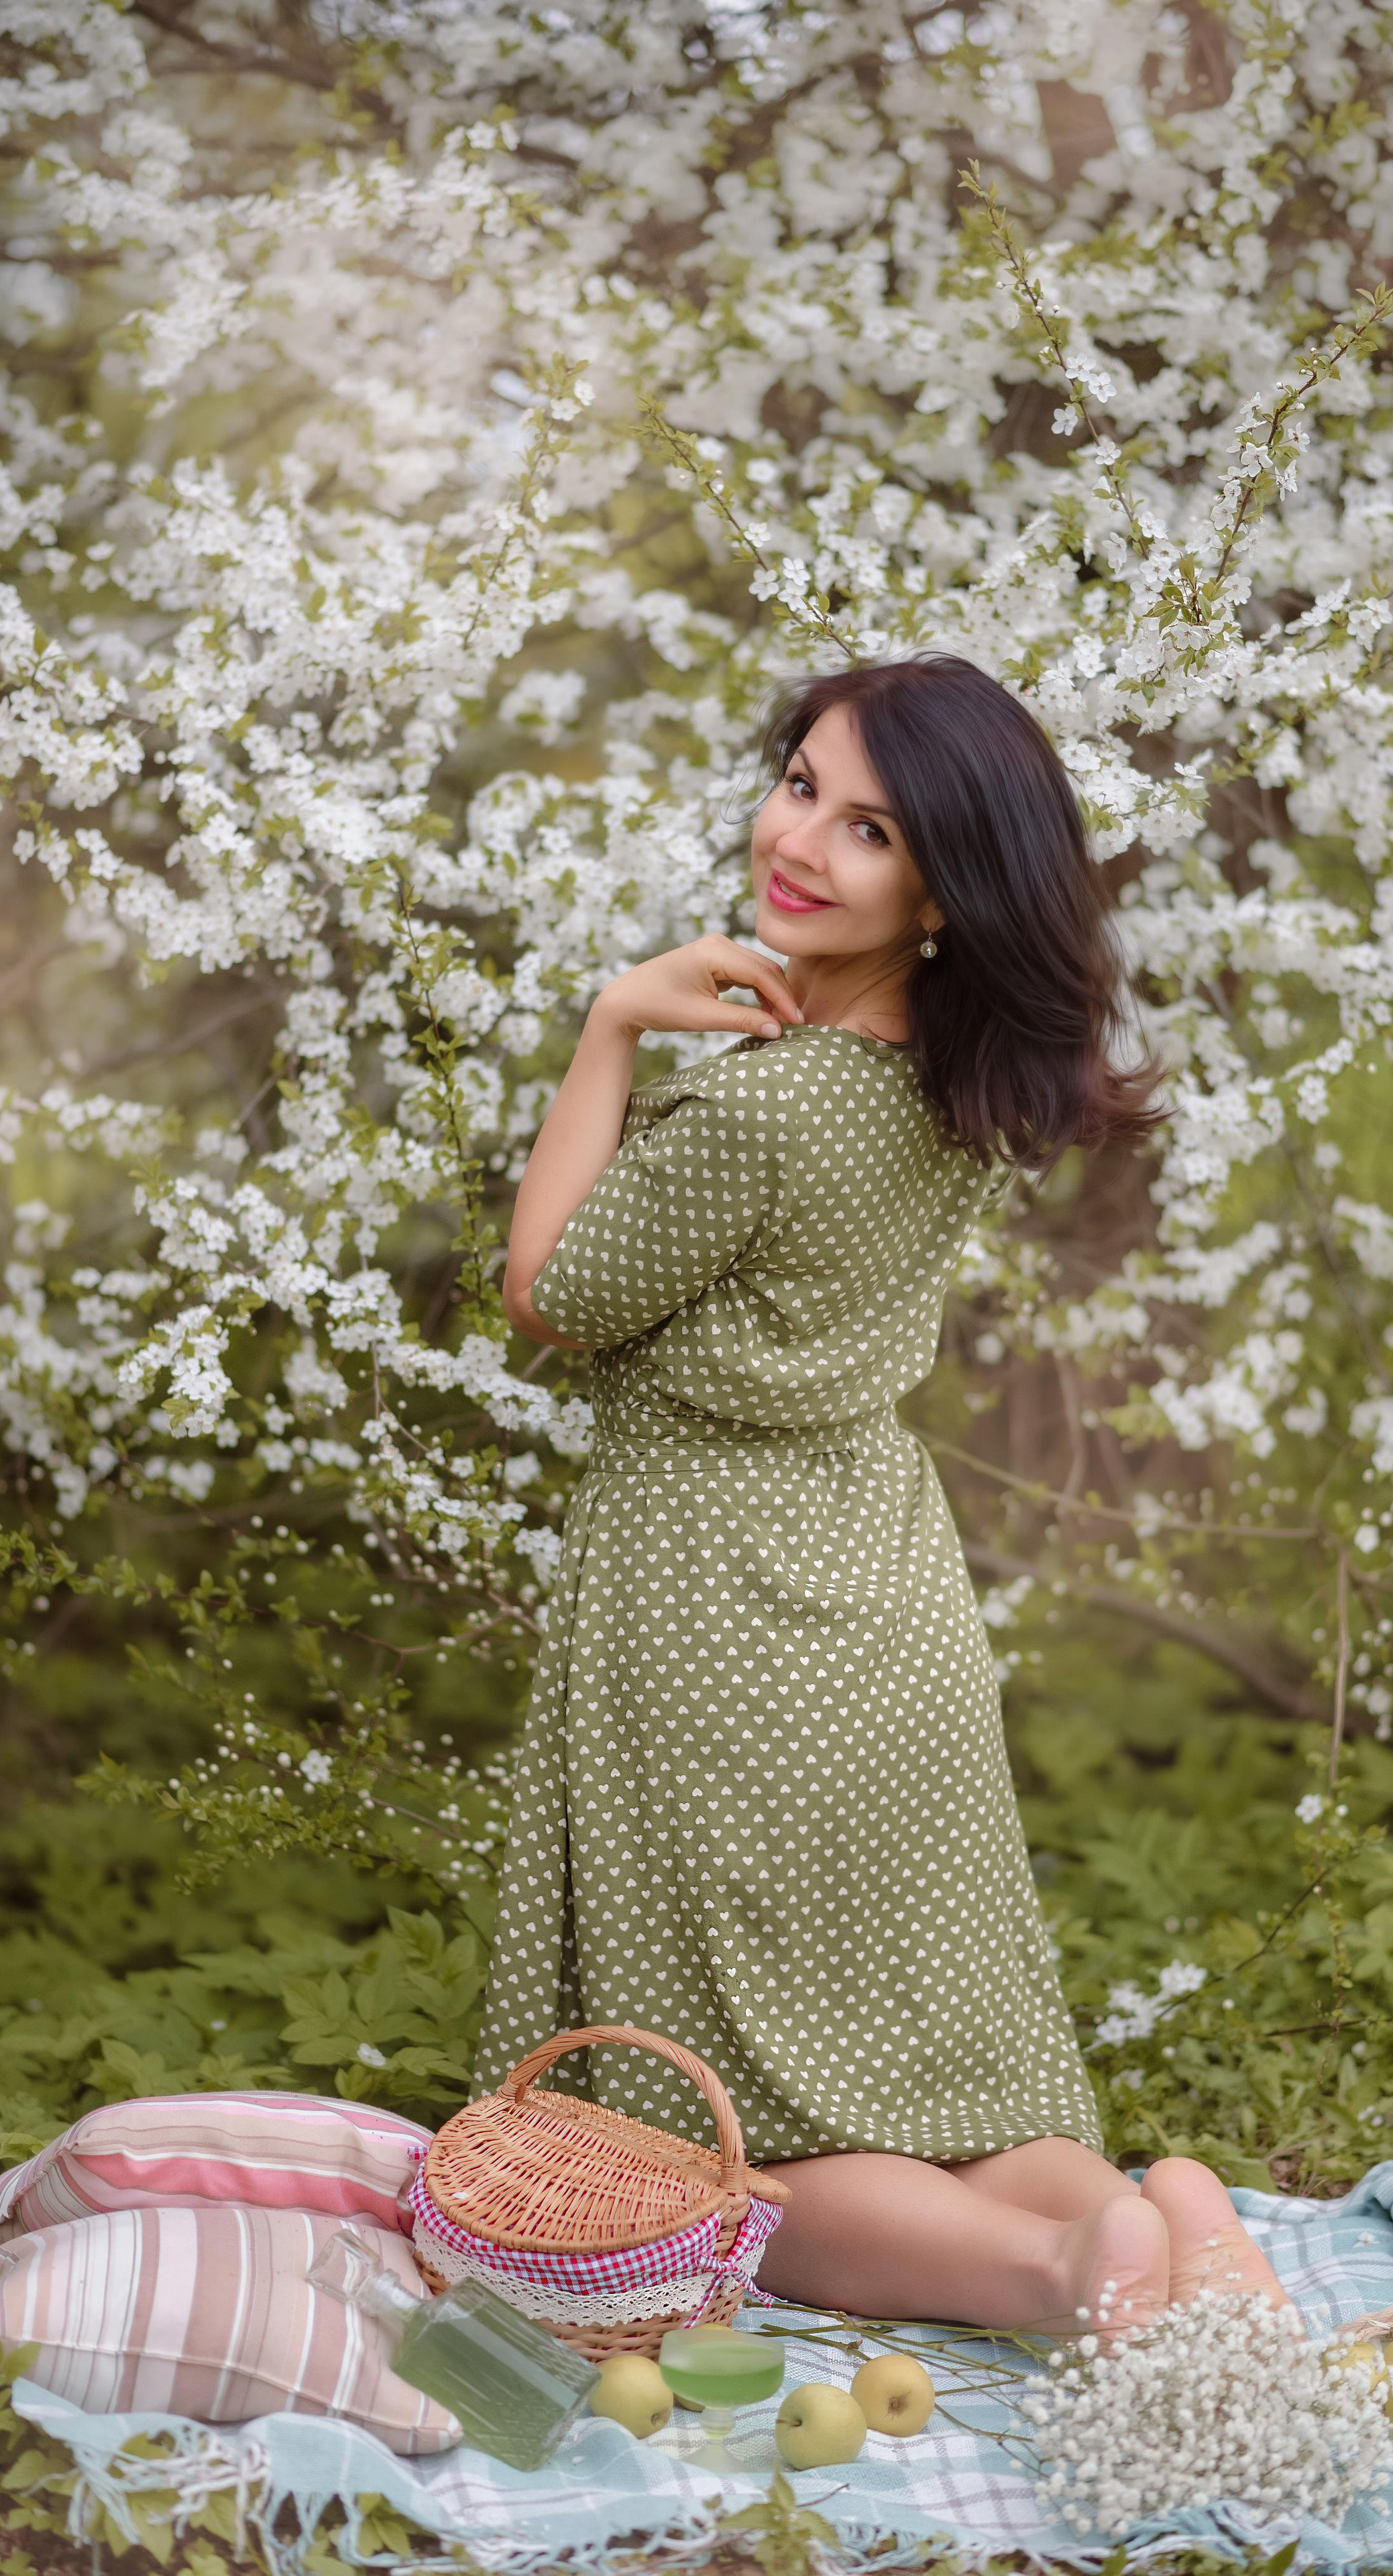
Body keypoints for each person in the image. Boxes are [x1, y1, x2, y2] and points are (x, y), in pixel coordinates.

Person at [477, 652, 1286, 2337]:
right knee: (933, 2069)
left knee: (719, 2122)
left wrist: (612, 1022)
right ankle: (1149, 2223)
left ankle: (1062, 2280)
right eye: (800, 789)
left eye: (869, 830)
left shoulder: (765, 1107)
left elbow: (548, 1292)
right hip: (878, 1587)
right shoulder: (961, 1091)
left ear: (940, 888)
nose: (803, 845)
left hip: (716, 1597)